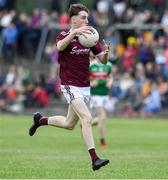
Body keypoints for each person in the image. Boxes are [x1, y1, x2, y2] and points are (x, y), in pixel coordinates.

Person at [29, 3, 110, 171]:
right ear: (73, 19)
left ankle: (40, 121)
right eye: (83, 17)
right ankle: (95, 159)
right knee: (87, 118)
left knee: (69, 124)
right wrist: (73, 33)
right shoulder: (64, 34)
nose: (87, 20)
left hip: (84, 86)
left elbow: (102, 60)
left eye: (87, 17)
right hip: (69, 85)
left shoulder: (89, 36)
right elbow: (60, 47)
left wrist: (106, 52)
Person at [89, 54, 113, 148]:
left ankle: (87, 123)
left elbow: (110, 77)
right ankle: (102, 140)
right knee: (102, 116)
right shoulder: (91, 65)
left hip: (105, 95)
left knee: (101, 119)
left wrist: (110, 82)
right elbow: (84, 78)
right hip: (95, 95)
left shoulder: (109, 65)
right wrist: (91, 83)